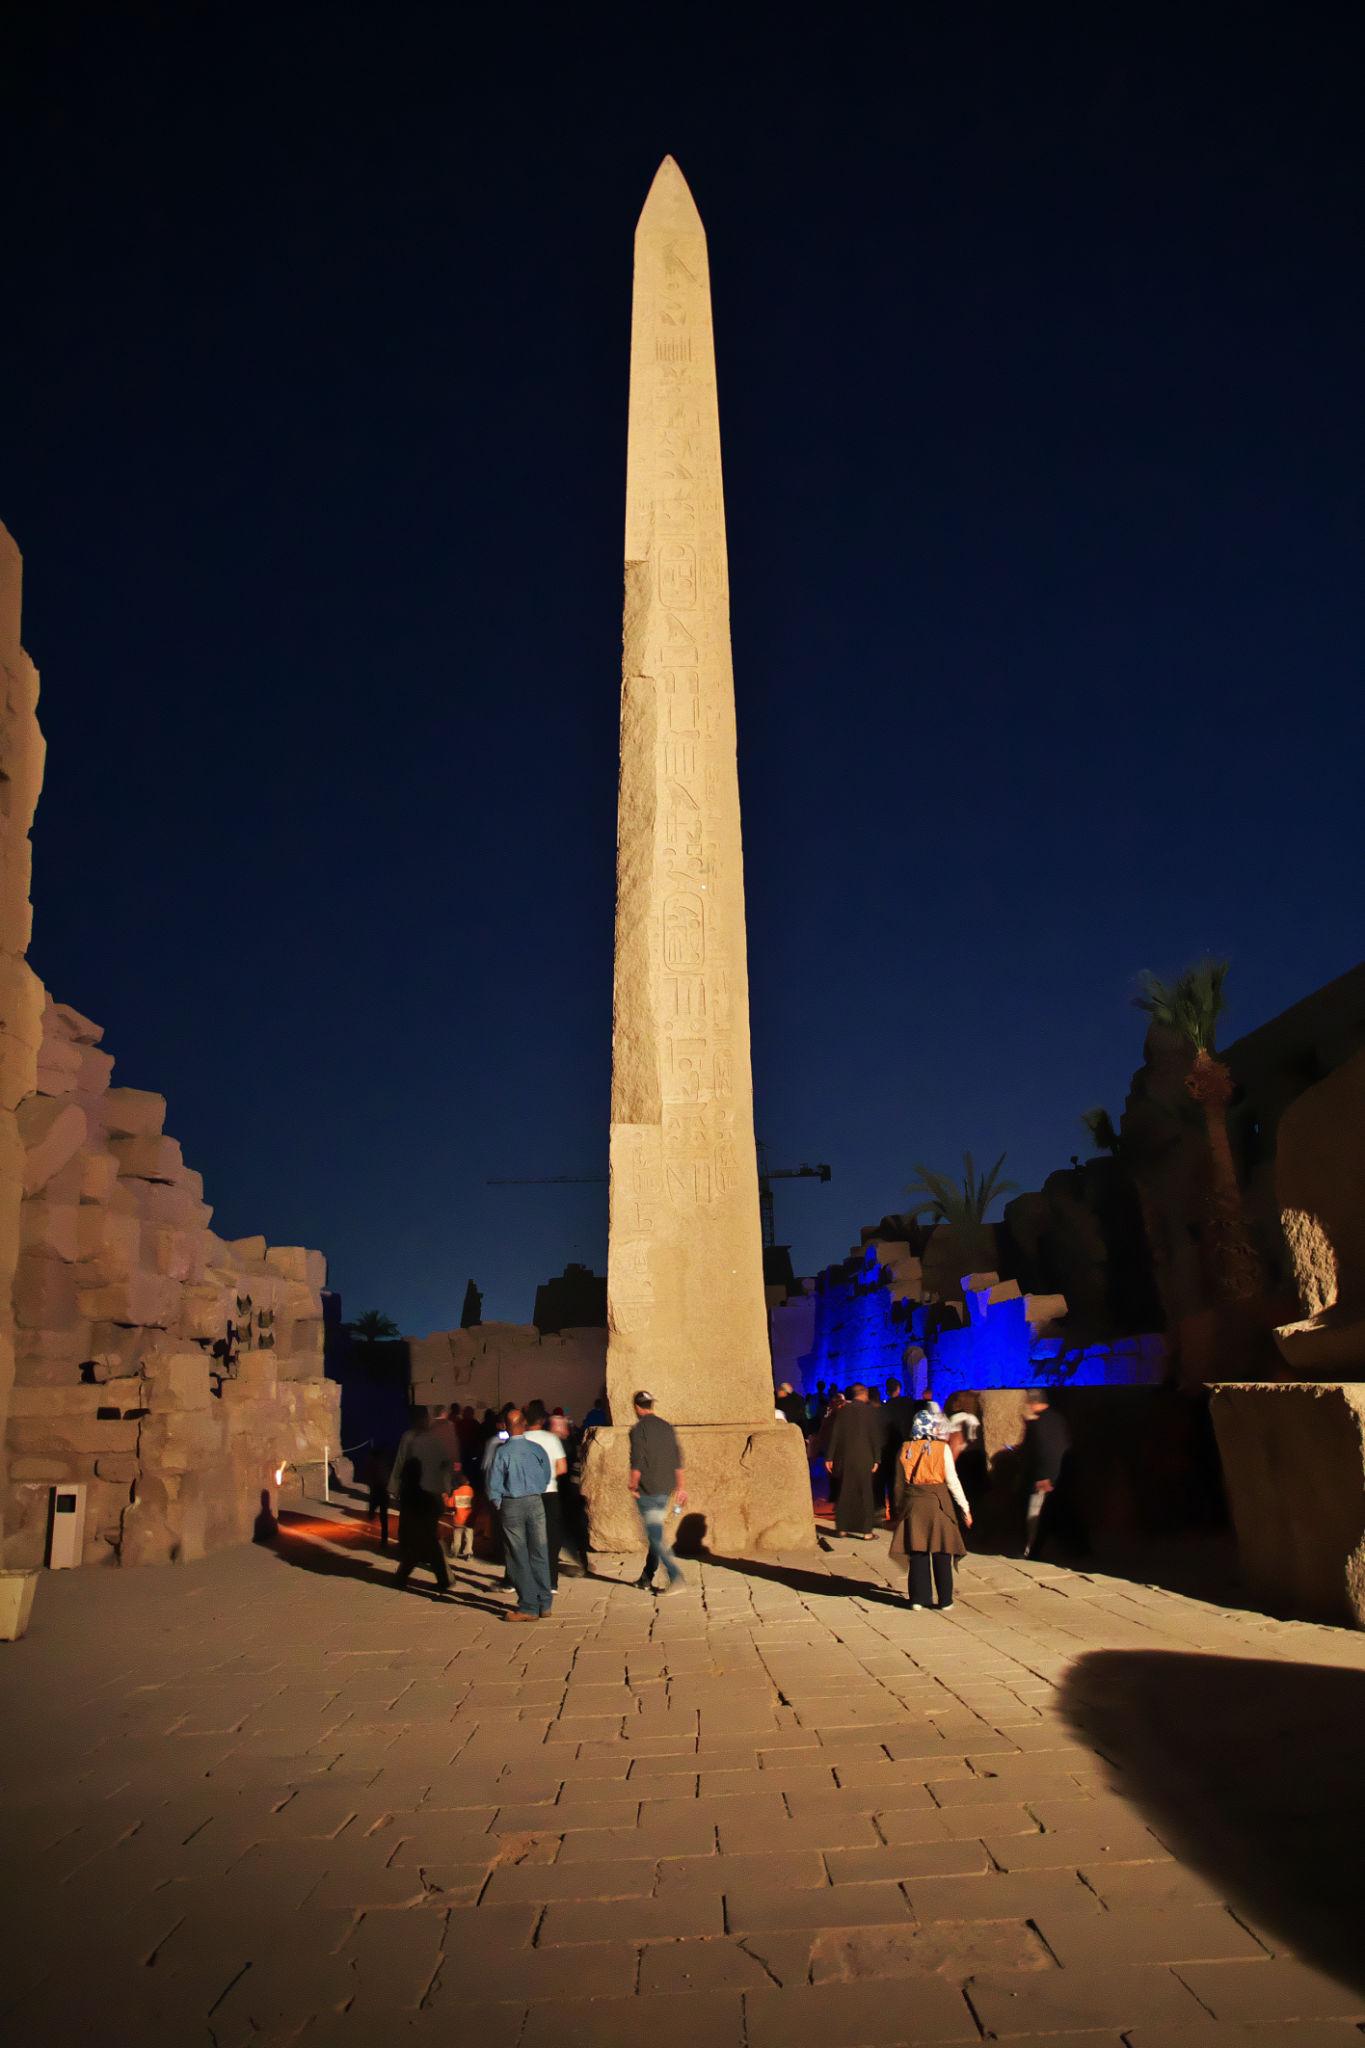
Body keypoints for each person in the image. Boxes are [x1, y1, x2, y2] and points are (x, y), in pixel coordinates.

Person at [890, 1410, 972, 1609]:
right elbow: (952, 1481)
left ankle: (918, 1599)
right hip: (938, 1504)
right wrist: (965, 1508)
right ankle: (945, 1600)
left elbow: (898, 1483)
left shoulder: (905, 1447)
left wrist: (899, 1509)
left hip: (913, 1504)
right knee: (942, 1550)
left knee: (917, 1552)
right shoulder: (940, 1449)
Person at [486, 1409, 553, 1620]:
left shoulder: (502, 1452)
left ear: (505, 1426)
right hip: (535, 1502)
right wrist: (537, 1488)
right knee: (540, 1553)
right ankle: (545, 1603)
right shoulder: (537, 1449)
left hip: (512, 1504)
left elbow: (493, 1483)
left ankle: (528, 1606)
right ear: (524, 1424)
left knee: (517, 1555)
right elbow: (546, 1475)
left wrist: (498, 1502)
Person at [389, 1408, 456, 1597]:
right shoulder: (434, 1439)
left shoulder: (409, 1438)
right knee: (426, 1537)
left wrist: (394, 1488)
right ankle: (443, 1578)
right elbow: (445, 1465)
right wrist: (446, 1488)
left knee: (420, 1538)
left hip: (416, 1495)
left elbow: (400, 1462)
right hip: (430, 1495)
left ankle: (404, 1576)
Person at [628, 1390, 687, 1593]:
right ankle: (646, 1577)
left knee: (654, 1535)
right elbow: (677, 1458)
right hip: (666, 1487)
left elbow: (636, 1460)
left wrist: (632, 1485)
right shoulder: (666, 1427)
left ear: (636, 1407)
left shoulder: (638, 1429)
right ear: (651, 1405)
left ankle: (675, 1576)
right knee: (656, 1532)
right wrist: (681, 1487)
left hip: (647, 1488)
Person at [823, 1384, 883, 1537]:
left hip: (844, 1456)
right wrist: (877, 1458)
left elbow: (835, 1434)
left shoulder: (843, 1410)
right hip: (865, 1457)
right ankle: (866, 1531)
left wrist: (829, 1457)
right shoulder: (870, 1412)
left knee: (844, 1491)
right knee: (865, 1493)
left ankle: (842, 1528)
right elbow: (875, 1436)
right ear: (864, 1394)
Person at [1022, 1391, 1076, 1558]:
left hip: (1045, 1479)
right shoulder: (1059, 1419)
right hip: (1061, 1476)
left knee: (1035, 1517)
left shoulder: (1038, 1424)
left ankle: (1032, 1550)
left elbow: (1042, 1451)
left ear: (1033, 1402)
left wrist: (1042, 1477)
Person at [524, 1399, 569, 1589]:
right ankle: (551, 1581)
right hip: (549, 1492)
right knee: (551, 1537)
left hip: (527, 1493)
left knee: (527, 1538)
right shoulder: (552, 1439)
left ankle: (523, 1580)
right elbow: (562, 1468)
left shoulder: (522, 1438)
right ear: (542, 1420)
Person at [365, 1439, 395, 1548]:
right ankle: (383, 1538)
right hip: (382, 1491)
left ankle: (375, 1535)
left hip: (377, 1490)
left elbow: (369, 1476)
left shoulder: (373, 1463)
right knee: (383, 1516)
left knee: (373, 1512)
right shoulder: (384, 1463)